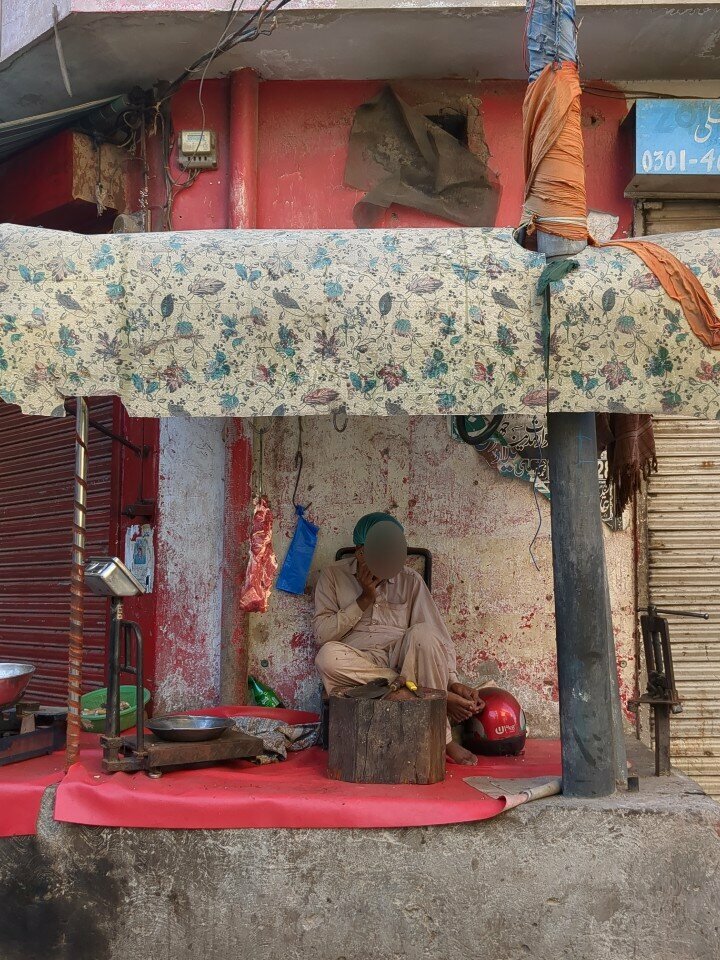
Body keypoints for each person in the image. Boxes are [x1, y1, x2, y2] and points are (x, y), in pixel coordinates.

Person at [313, 511, 486, 765]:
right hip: (360, 663)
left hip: (402, 659)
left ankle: (443, 740)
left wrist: (452, 681)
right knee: (327, 656)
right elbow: (322, 635)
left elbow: (435, 638)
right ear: (360, 551)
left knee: (424, 633)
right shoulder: (333, 576)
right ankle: (416, 691)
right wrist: (364, 599)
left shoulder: (410, 579)